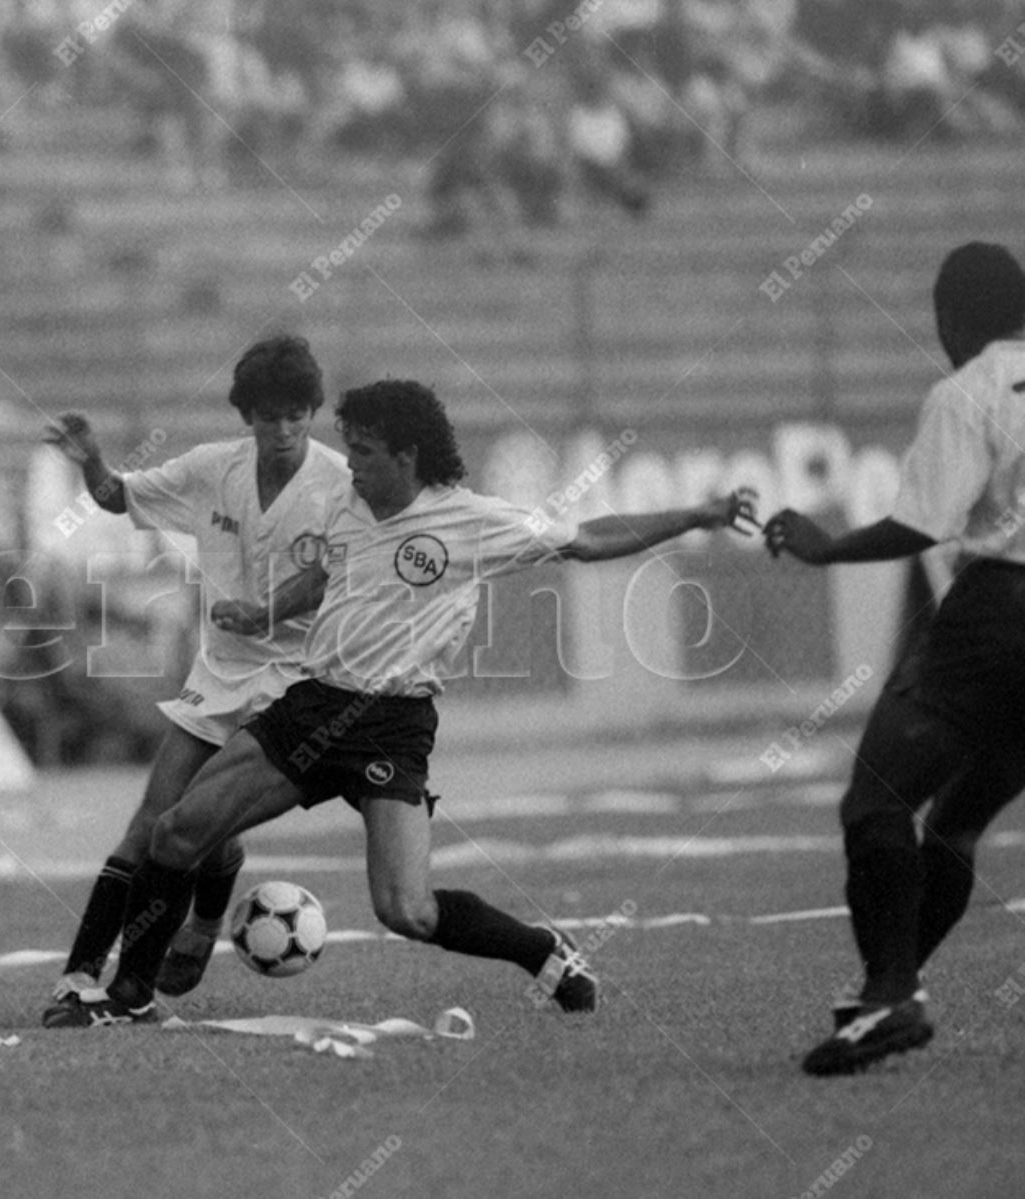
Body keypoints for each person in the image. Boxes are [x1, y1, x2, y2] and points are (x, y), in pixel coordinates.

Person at [60, 379, 757, 1025]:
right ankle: (129, 994)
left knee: (407, 909)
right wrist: (265, 612)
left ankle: (543, 949)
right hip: (312, 706)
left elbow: (591, 538)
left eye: (362, 451)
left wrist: (698, 513)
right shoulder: (346, 500)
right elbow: (323, 573)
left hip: (391, 728)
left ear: (406, 454)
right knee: (178, 830)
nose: (349, 464)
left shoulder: (472, 520)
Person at [762, 241, 1025, 1076]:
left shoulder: (971, 390)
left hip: (997, 619)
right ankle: (893, 987)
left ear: (954, 317)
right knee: (957, 817)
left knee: (875, 799)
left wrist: (825, 546)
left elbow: (924, 523)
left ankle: (890, 992)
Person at [37, 335, 350, 1027]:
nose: (283, 428)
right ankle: (81, 974)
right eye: (269, 415)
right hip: (220, 673)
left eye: (297, 413)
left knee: (192, 823)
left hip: (296, 685)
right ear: (248, 415)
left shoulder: (340, 485)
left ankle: (158, 962)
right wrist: (92, 459)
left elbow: (339, 578)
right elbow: (118, 497)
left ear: (312, 411)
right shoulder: (215, 468)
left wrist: (266, 610)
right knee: (153, 820)